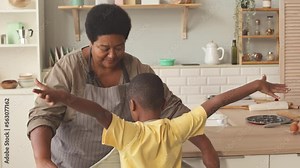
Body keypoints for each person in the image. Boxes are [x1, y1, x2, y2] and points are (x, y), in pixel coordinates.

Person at [27, 4, 218, 168]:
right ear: (91, 42)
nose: (112, 55)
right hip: (74, 162)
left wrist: (205, 146)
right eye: (104, 48)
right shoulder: (68, 68)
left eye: (119, 47)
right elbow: (43, 115)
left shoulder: (136, 69)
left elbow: (173, 110)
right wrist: (42, 159)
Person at [32, 73, 289, 168]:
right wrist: (256, 84)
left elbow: (94, 109)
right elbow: (217, 102)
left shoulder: (127, 133)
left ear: (131, 106)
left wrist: (62, 95)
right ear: (165, 105)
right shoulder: (177, 127)